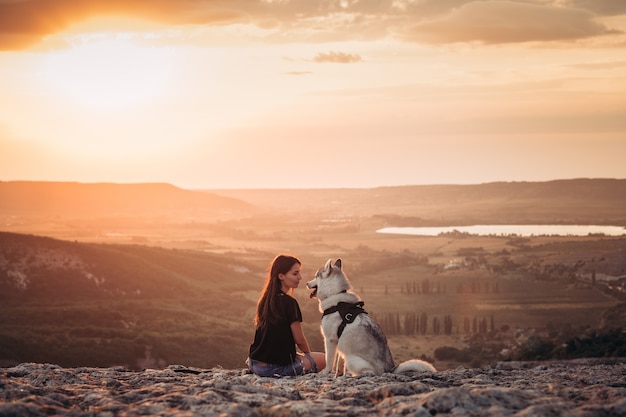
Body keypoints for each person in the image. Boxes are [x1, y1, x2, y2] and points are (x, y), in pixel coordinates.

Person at [247, 254, 326, 377]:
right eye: (295, 274)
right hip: (274, 368)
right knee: (327, 360)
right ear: (281, 276)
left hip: (254, 363)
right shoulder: (289, 303)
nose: (300, 277)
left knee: (302, 356)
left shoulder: (266, 299)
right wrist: (309, 357)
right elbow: (299, 340)